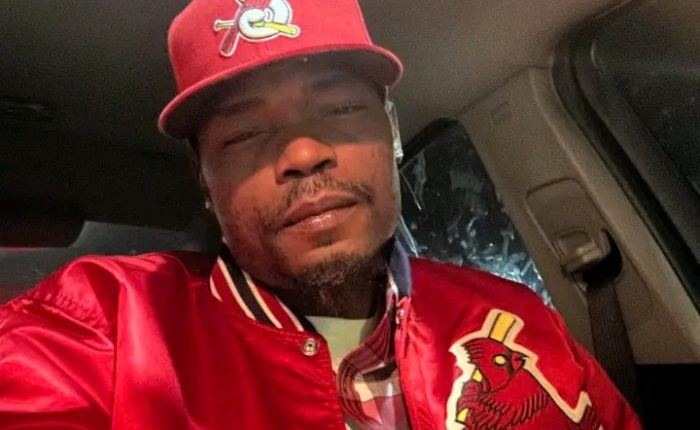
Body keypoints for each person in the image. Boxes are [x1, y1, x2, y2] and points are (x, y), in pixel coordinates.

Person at [0, 0, 642, 429]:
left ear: (391, 132)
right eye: (244, 135)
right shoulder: (102, 331)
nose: (304, 154)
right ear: (204, 180)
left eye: (340, 110)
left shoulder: (514, 321)